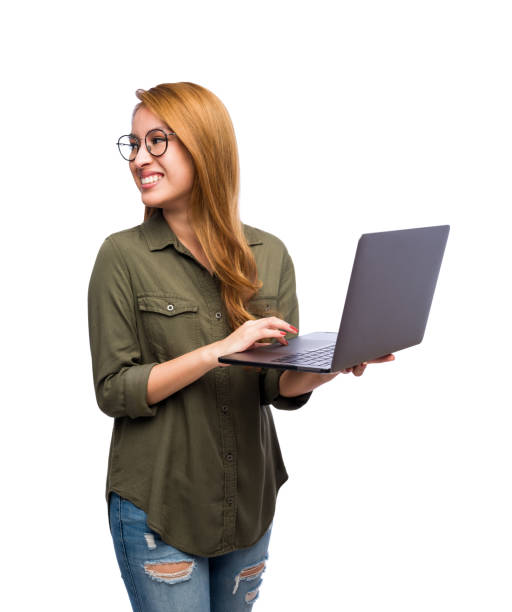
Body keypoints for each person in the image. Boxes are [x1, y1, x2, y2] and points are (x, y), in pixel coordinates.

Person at [87, 81, 395, 612]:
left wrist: (330, 366)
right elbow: (115, 390)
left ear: (204, 146)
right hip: (160, 505)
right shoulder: (122, 256)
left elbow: (278, 386)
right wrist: (218, 350)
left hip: (247, 500)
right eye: (134, 144)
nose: (139, 158)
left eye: (157, 141)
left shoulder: (268, 254)